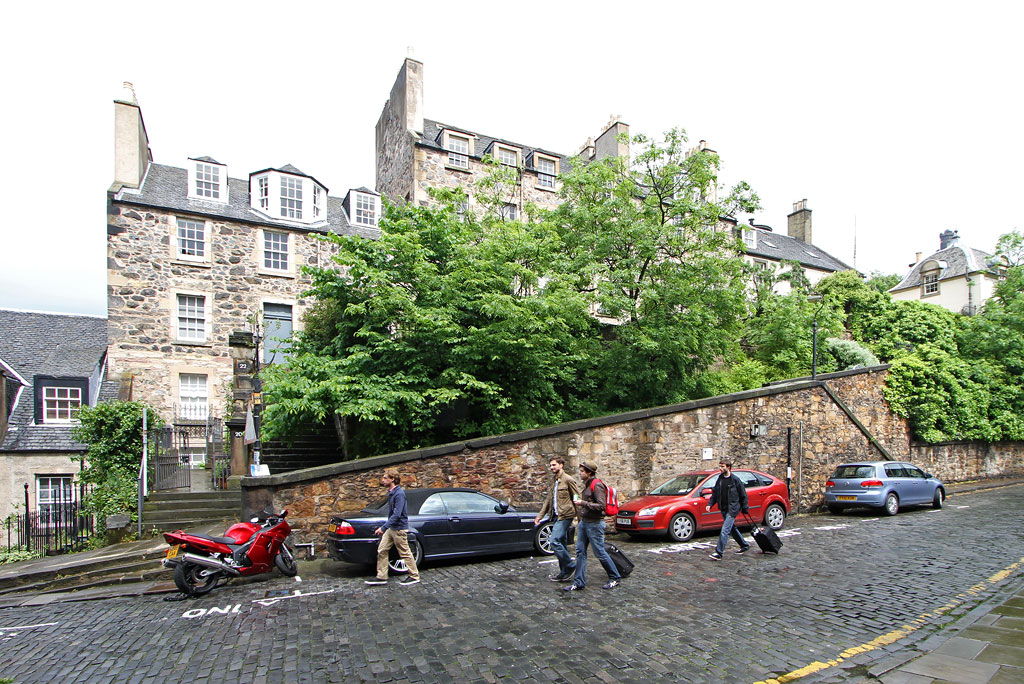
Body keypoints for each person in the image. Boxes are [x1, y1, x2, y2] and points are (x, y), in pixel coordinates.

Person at [565, 462, 621, 591]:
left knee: (600, 552)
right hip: (585, 523)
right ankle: (579, 582)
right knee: (580, 552)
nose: (580, 473)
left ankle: (615, 577)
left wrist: (583, 503)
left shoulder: (597, 485)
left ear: (589, 472)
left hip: (595, 524)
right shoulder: (588, 485)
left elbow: (601, 505)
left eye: (582, 471)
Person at [365, 470, 421, 586]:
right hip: (392, 528)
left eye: (385, 478)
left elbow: (397, 514)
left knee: (405, 552)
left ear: (392, 479)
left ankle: (414, 575)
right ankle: (381, 577)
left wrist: (383, 527)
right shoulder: (391, 493)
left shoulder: (399, 494)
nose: (383, 480)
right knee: (382, 550)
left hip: (399, 528)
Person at [534, 457, 581, 582]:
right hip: (555, 515)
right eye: (550, 465)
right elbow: (548, 500)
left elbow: (576, 496)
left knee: (554, 541)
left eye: (554, 465)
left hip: (566, 515)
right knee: (562, 544)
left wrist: (579, 517)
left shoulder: (568, 480)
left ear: (561, 465)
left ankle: (570, 565)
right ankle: (564, 572)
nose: (552, 467)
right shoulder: (554, 480)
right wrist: (540, 516)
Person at [705, 461, 751, 560]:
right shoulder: (720, 479)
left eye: (722, 467)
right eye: (720, 466)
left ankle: (719, 552)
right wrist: (710, 504)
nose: (720, 469)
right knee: (732, 528)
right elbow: (715, 493)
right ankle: (744, 545)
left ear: (728, 467)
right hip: (723, 508)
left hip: (732, 509)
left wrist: (745, 508)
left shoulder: (735, 480)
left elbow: (743, 495)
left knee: (725, 530)